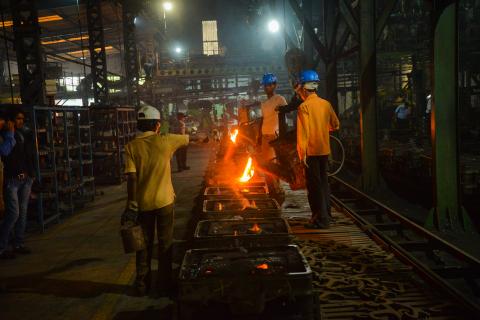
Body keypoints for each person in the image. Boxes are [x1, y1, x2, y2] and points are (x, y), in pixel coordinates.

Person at [122, 104, 189, 296]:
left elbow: (132, 179)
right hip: (164, 202)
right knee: (165, 244)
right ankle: (165, 285)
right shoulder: (166, 141)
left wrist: (131, 205)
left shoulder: (131, 147)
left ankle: (142, 285)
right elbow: (188, 139)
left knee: (143, 245)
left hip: (143, 204)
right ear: (157, 125)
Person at [296, 70, 340, 229]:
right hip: (324, 150)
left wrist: (302, 154)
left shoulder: (304, 107)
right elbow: (335, 125)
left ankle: (320, 220)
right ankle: (327, 215)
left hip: (312, 152)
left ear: (303, 88)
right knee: (324, 184)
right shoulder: (326, 104)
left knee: (314, 187)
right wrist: (322, 129)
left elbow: (304, 133)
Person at [0, 108, 35, 259]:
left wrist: (32, 175)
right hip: (12, 180)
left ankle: (18, 243)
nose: (20, 121)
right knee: (13, 213)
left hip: (25, 178)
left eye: (22, 118)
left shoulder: (23, 134)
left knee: (22, 211)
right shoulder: (5, 136)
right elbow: (5, 153)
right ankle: (2, 246)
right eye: (17, 119)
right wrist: (9, 134)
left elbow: (28, 155)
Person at [259, 73, 287, 194]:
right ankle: (272, 189)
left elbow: (286, 112)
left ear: (275, 85)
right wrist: (259, 137)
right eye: (265, 85)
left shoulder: (279, 99)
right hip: (265, 136)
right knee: (266, 164)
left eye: (269, 85)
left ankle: (277, 189)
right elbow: (263, 119)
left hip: (275, 136)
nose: (267, 88)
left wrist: (283, 136)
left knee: (274, 164)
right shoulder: (264, 103)